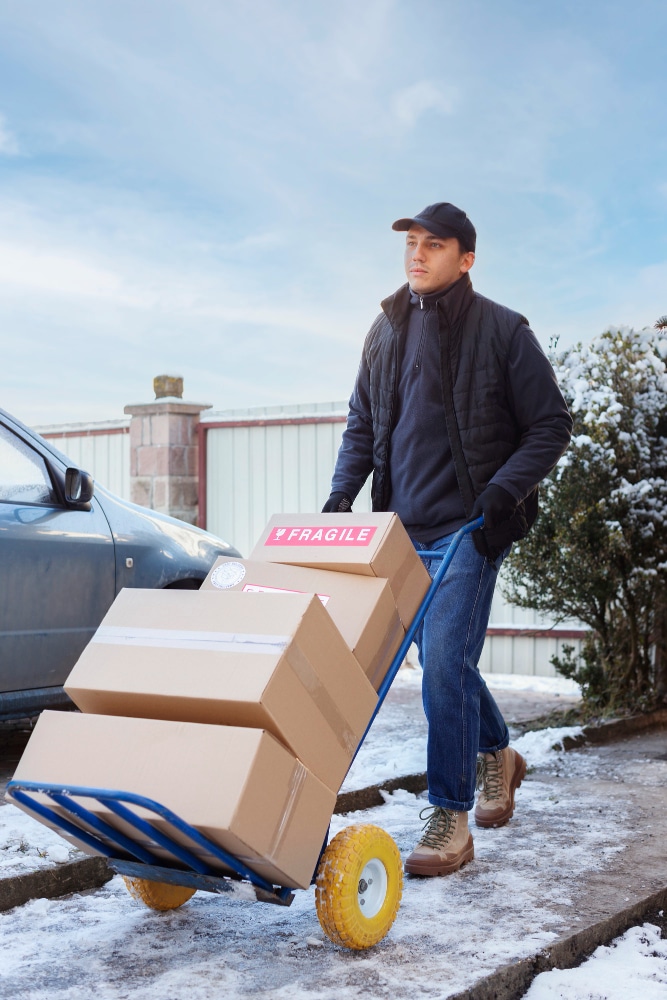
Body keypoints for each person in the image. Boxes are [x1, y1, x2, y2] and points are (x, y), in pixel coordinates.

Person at [322, 202, 573, 877]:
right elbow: (361, 421)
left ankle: (450, 817)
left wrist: (501, 494)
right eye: (410, 243)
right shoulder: (384, 330)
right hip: (399, 531)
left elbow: (550, 424)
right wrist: (342, 493)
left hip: (469, 525)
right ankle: (498, 753)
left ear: (464, 258)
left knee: (440, 669)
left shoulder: (501, 330)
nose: (416, 254)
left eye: (433, 245)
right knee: (447, 666)